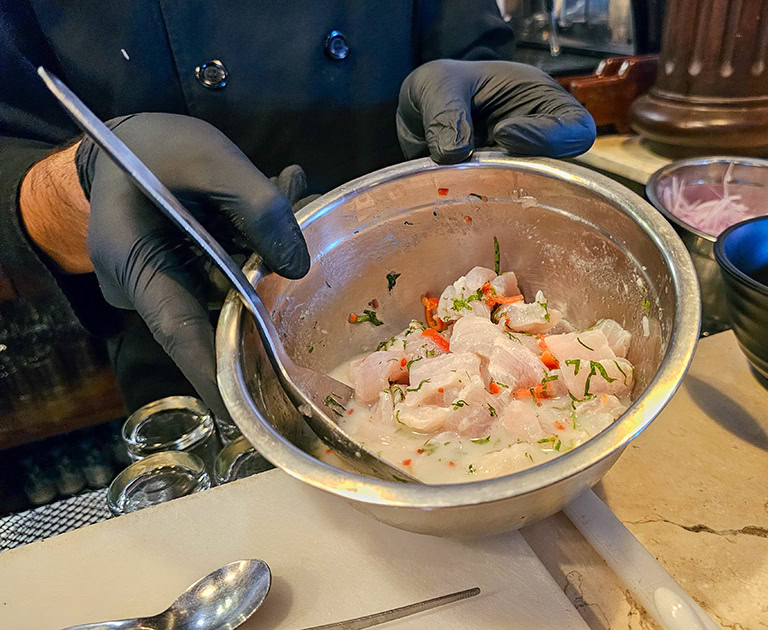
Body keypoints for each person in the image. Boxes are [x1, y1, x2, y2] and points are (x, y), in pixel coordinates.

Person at [0, 1, 596, 421]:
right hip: (186, 341)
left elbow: (470, 41)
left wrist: (478, 97)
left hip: (432, 288)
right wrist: (74, 183)